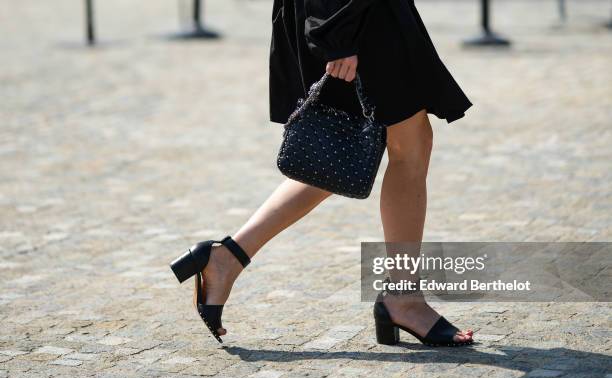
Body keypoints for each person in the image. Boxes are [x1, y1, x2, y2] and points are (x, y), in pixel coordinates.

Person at [170, 0, 474, 346]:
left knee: (368, 150)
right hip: (346, 14)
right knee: (404, 148)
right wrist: (337, 32)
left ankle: (227, 257)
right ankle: (402, 298)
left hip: (355, 13)